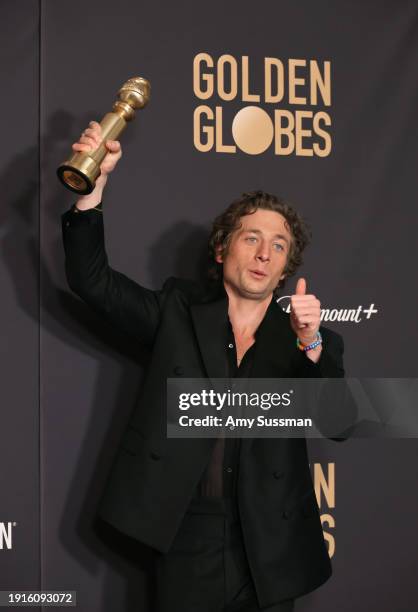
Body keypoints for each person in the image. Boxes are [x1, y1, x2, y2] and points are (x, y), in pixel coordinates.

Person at [61, 121, 347, 612]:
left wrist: (312, 341)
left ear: (286, 268)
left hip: (272, 544)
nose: (263, 253)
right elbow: (94, 283)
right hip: (186, 533)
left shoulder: (310, 340)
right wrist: (93, 189)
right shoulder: (176, 310)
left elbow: (340, 421)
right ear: (221, 249)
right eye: (251, 237)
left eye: (278, 246)